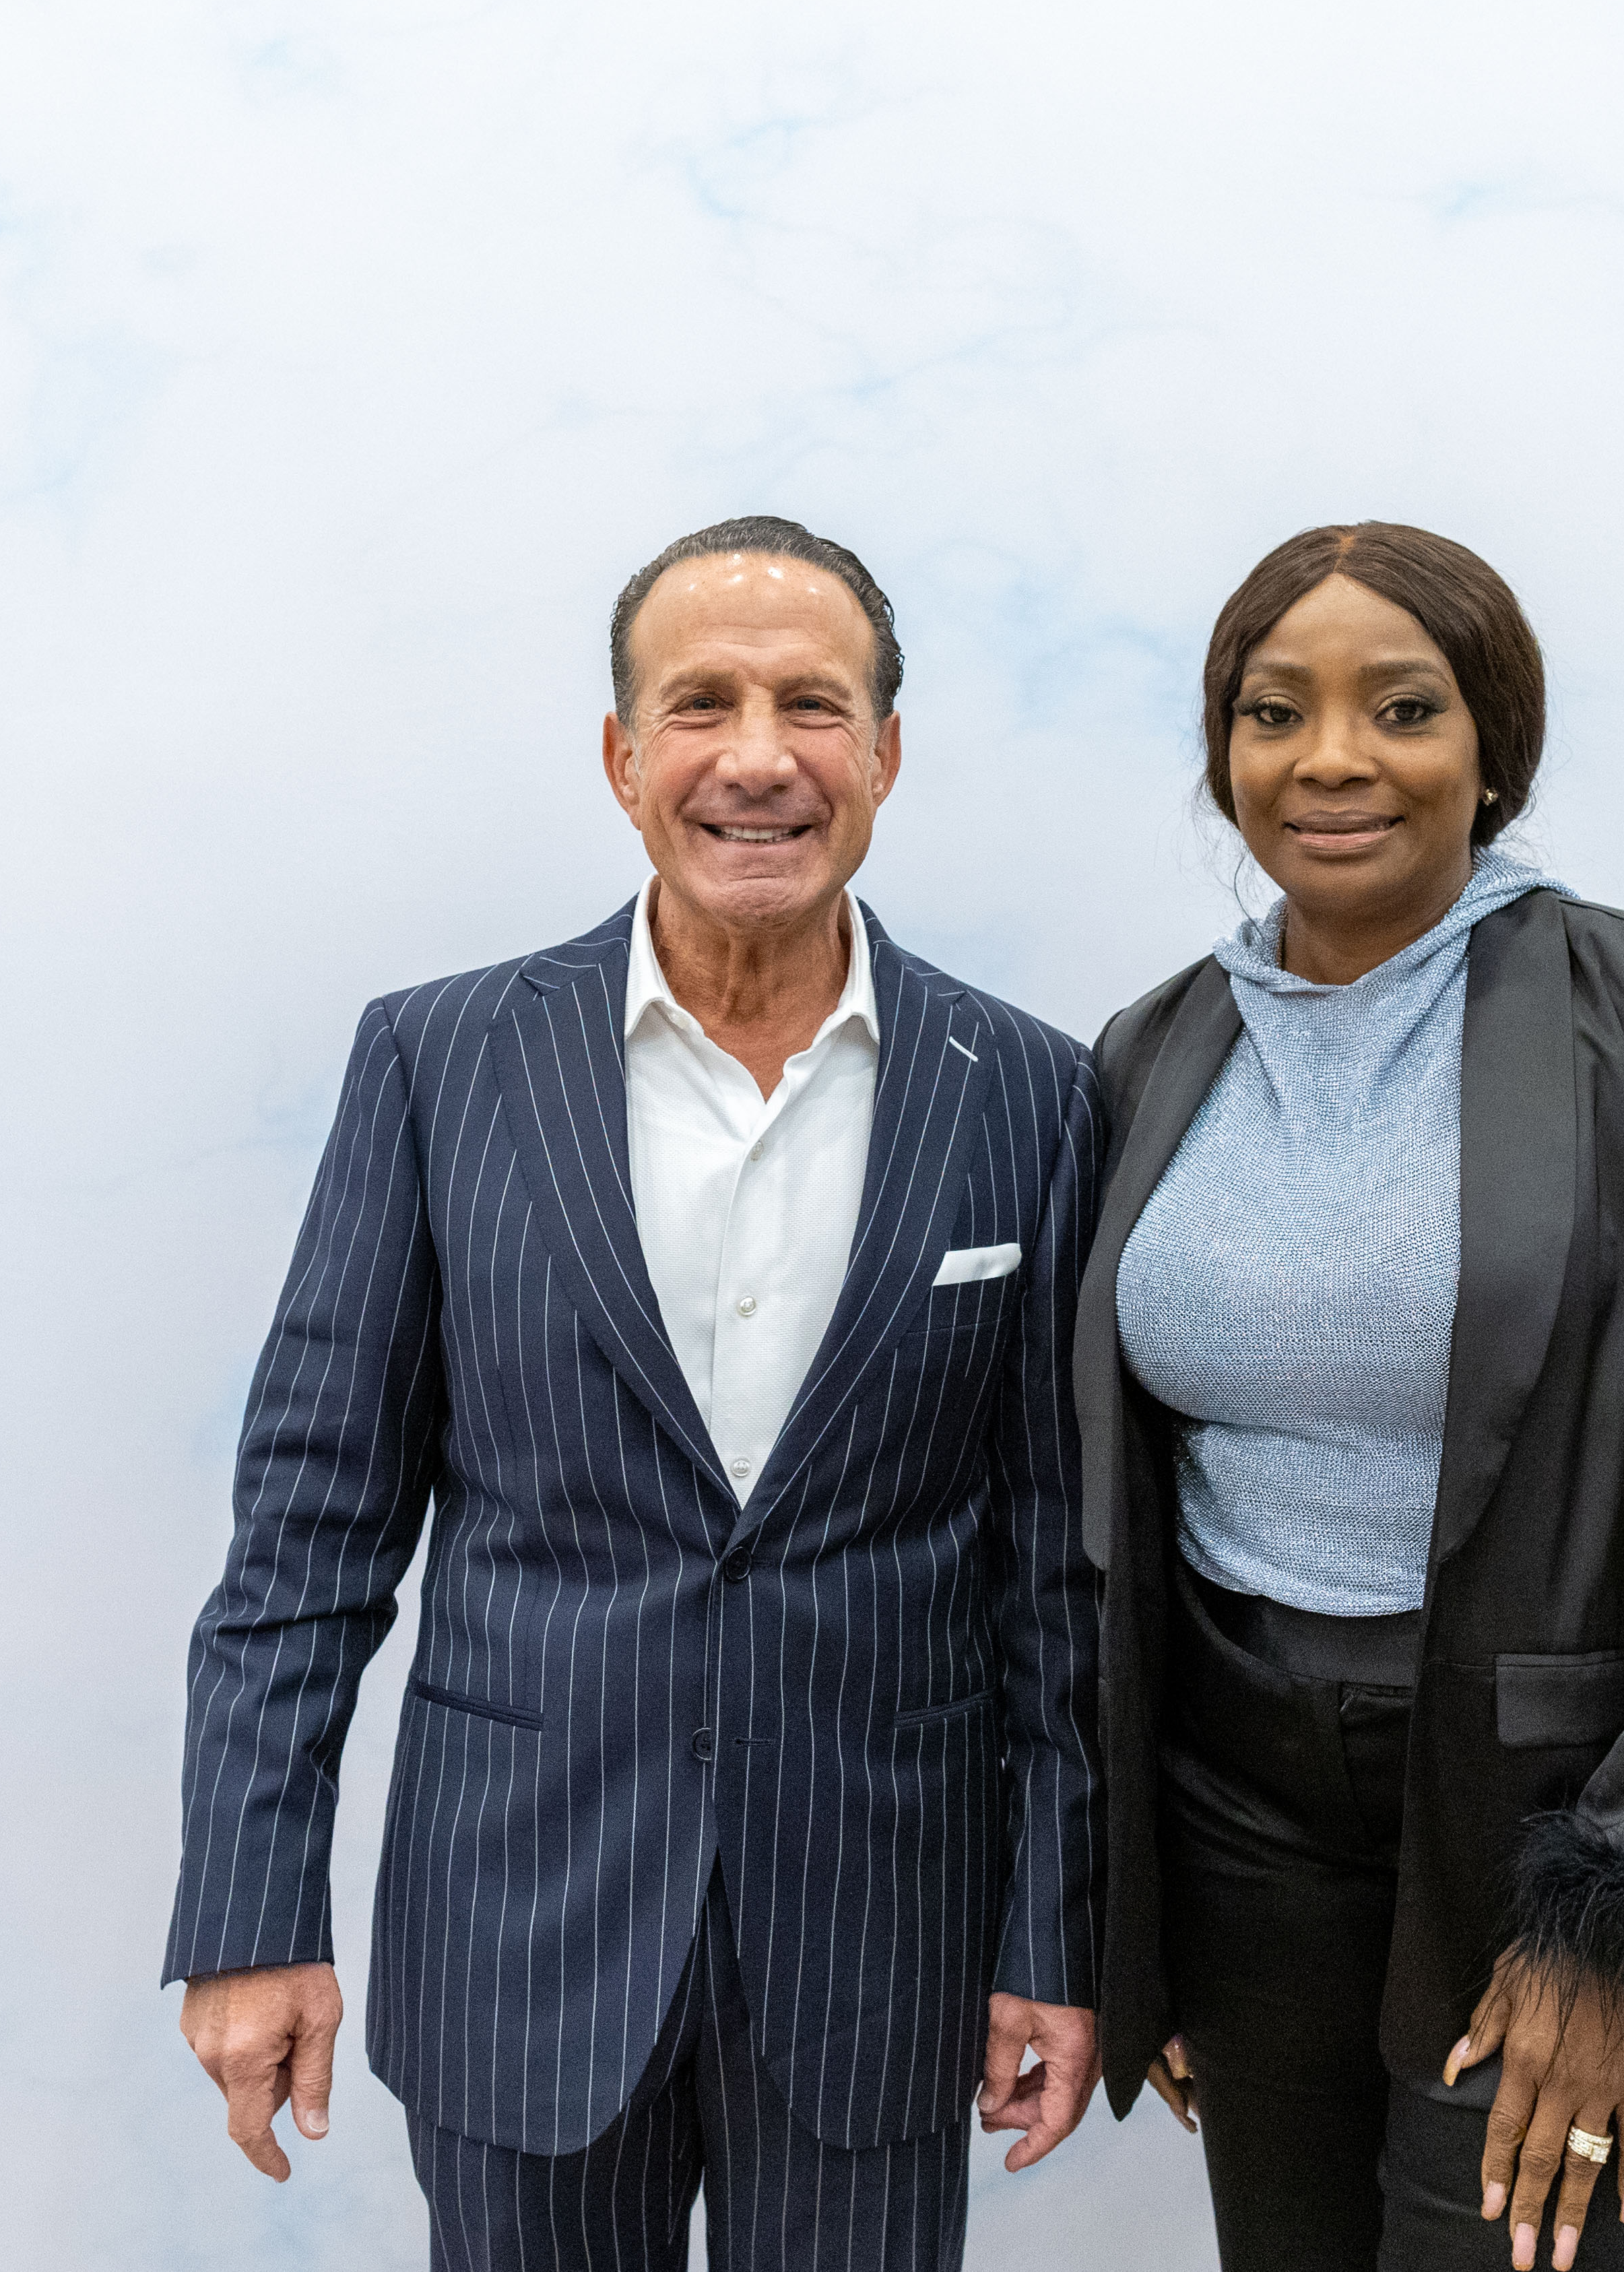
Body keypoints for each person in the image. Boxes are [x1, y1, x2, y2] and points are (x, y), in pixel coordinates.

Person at [166, 517, 1105, 2272]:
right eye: (702, 704)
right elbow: (307, 1531)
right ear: (620, 756)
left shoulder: (1031, 1096)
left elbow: (1055, 1576)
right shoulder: (439, 1064)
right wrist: (249, 1906)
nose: (759, 756)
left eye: (812, 705)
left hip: (879, 1952)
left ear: (887, 753)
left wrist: (1057, 1929)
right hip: (518, 1929)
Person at [1078, 523, 1624, 2271]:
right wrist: (1132, 1898)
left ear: (1495, 743)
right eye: (1276, 710)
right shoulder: (1154, 1048)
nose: (1332, 756)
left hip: (1557, 1814)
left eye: (1403, 706)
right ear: (1225, 754)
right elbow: (1107, 1480)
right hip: (1236, 1818)